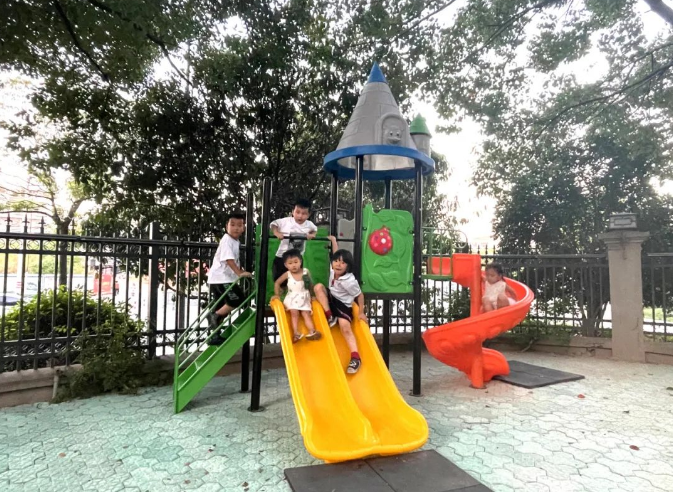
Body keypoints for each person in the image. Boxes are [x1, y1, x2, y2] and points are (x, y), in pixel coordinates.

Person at [314, 235, 367, 374]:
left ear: (348, 266)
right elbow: (336, 252)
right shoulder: (333, 270)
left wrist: (361, 312)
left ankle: (355, 357)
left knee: (345, 328)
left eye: (342, 263)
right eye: (336, 261)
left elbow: (360, 295)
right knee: (318, 287)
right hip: (331, 299)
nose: (338, 264)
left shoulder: (349, 281)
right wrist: (333, 241)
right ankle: (329, 316)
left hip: (343, 305)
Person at [206, 211, 252, 345]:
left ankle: (214, 335)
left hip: (219, 279)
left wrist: (240, 270)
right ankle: (214, 316)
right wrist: (239, 273)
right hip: (222, 278)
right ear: (227, 226)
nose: (236, 228)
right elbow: (228, 259)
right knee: (237, 299)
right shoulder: (227, 240)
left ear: (243, 228)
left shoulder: (234, 241)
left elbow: (233, 260)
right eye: (232, 225)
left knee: (221, 306)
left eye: (239, 225)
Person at [271, 249, 322, 343]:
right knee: (294, 313)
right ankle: (296, 333)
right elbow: (277, 283)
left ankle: (312, 331)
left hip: (304, 297)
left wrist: (312, 295)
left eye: (296, 262)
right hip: (292, 298)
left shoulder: (305, 272)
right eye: (290, 263)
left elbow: (310, 284)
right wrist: (277, 295)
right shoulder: (287, 274)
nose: (293, 265)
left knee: (306, 314)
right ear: (286, 265)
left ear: (300, 261)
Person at [270, 198, 318, 286]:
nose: (300, 216)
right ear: (293, 211)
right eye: (297, 212)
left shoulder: (309, 224)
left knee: (296, 282)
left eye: (304, 213)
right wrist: (276, 233)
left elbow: (315, 230)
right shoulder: (286, 221)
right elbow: (273, 224)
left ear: (308, 215)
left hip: (297, 260)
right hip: (282, 257)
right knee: (279, 282)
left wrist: (312, 234)